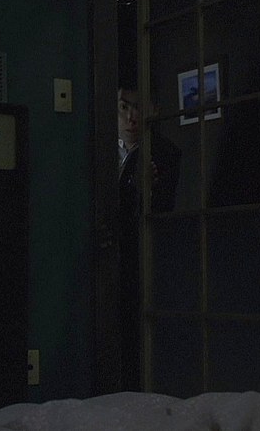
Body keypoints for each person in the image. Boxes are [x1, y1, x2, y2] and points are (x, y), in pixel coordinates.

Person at [115, 85, 181, 391]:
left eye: (138, 107)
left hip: (144, 257)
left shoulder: (165, 153)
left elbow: (164, 212)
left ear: (153, 109)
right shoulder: (96, 147)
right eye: (124, 107)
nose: (131, 117)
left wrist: (146, 191)